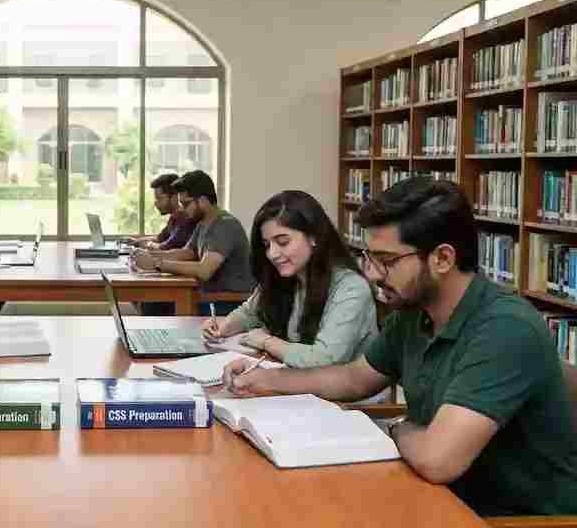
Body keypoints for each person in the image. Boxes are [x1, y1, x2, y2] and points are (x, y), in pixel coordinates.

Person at [223, 177, 577, 516]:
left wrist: (398, 426)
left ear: (442, 259)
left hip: (506, 517)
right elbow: (354, 379)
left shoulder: (505, 329)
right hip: (436, 494)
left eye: (387, 261)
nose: (373, 274)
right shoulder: (414, 312)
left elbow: (438, 459)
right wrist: (266, 380)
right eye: (370, 258)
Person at [202, 190, 377, 368]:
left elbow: (324, 359)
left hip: (338, 384)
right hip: (296, 378)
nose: (272, 254)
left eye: (283, 242)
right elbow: (249, 312)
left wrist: (266, 341)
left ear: (314, 236)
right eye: (267, 245)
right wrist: (224, 327)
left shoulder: (351, 288)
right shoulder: (286, 275)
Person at [131, 170, 255, 315]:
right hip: (211, 297)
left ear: (203, 200)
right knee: (151, 301)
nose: (183, 209)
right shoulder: (203, 223)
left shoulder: (225, 225)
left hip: (228, 303)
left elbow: (204, 270)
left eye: (186, 204)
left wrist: (156, 264)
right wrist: (147, 255)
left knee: (153, 304)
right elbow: (186, 253)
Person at [126, 173, 199, 250]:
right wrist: (135, 241)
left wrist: (145, 244)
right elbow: (159, 238)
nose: (156, 203)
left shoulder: (185, 219)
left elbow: (165, 247)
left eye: (159, 198)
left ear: (174, 197)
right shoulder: (173, 218)